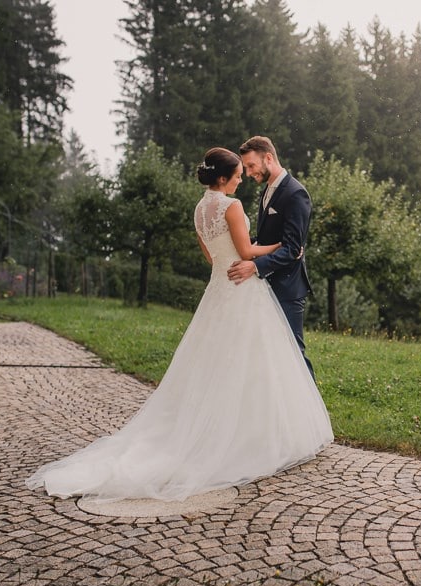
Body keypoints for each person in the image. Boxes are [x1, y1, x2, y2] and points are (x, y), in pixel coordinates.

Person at [26, 147, 333, 502]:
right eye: (237, 174)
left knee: (223, 363)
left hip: (219, 287)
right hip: (241, 288)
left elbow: (211, 255)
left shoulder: (201, 209)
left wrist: (245, 254)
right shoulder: (231, 207)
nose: (241, 180)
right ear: (222, 178)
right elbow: (247, 252)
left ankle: (247, 428)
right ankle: (254, 435)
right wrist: (277, 246)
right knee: (258, 359)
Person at [227, 136, 315, 379]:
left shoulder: (296, 194)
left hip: (288, 288)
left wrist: (254, 266)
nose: (248, 172)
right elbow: (268, 238)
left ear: (268, 158)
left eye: (251, 166)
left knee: (293, 352)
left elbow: (291, 249)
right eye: (245, 167)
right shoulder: (267, 191)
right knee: (267, 354)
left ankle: (313, 416)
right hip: (266, 286)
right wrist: (244, 245)